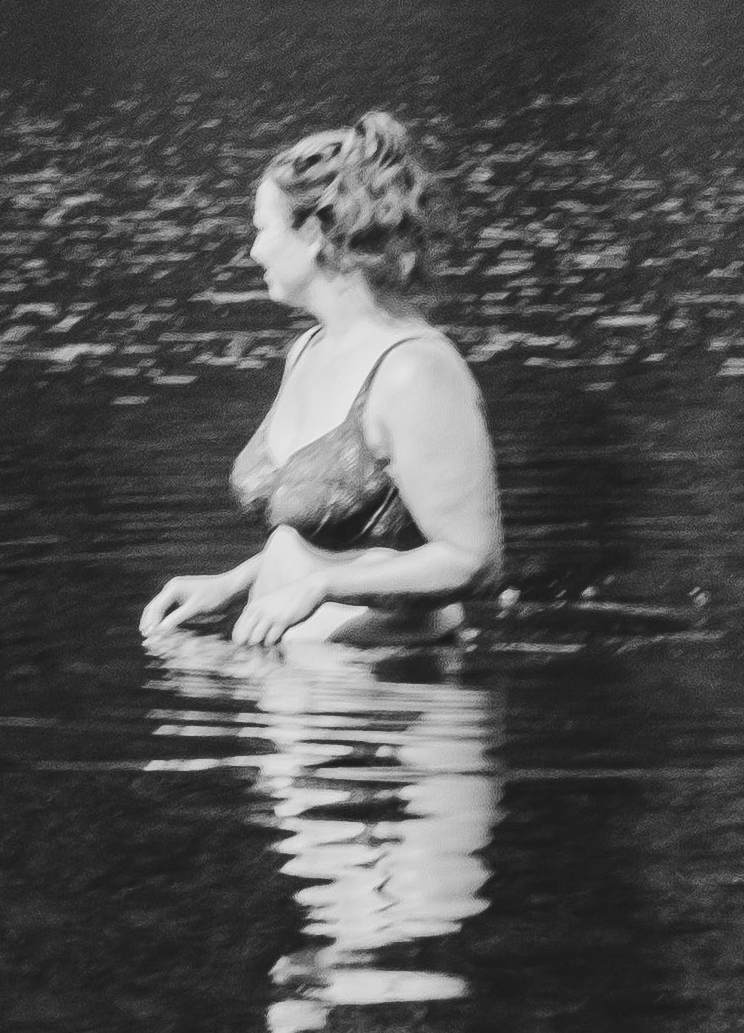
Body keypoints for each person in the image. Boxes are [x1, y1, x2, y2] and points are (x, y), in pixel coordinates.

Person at [140, 108, 502, 652]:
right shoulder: (306, 351)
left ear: (311, 235)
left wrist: (323, 586)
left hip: (393, 696)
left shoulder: (414, 372)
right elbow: (326, 538)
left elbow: (474, 560)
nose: (255, 249)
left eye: (263, 229)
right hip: (302, 684)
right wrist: (234, 584)